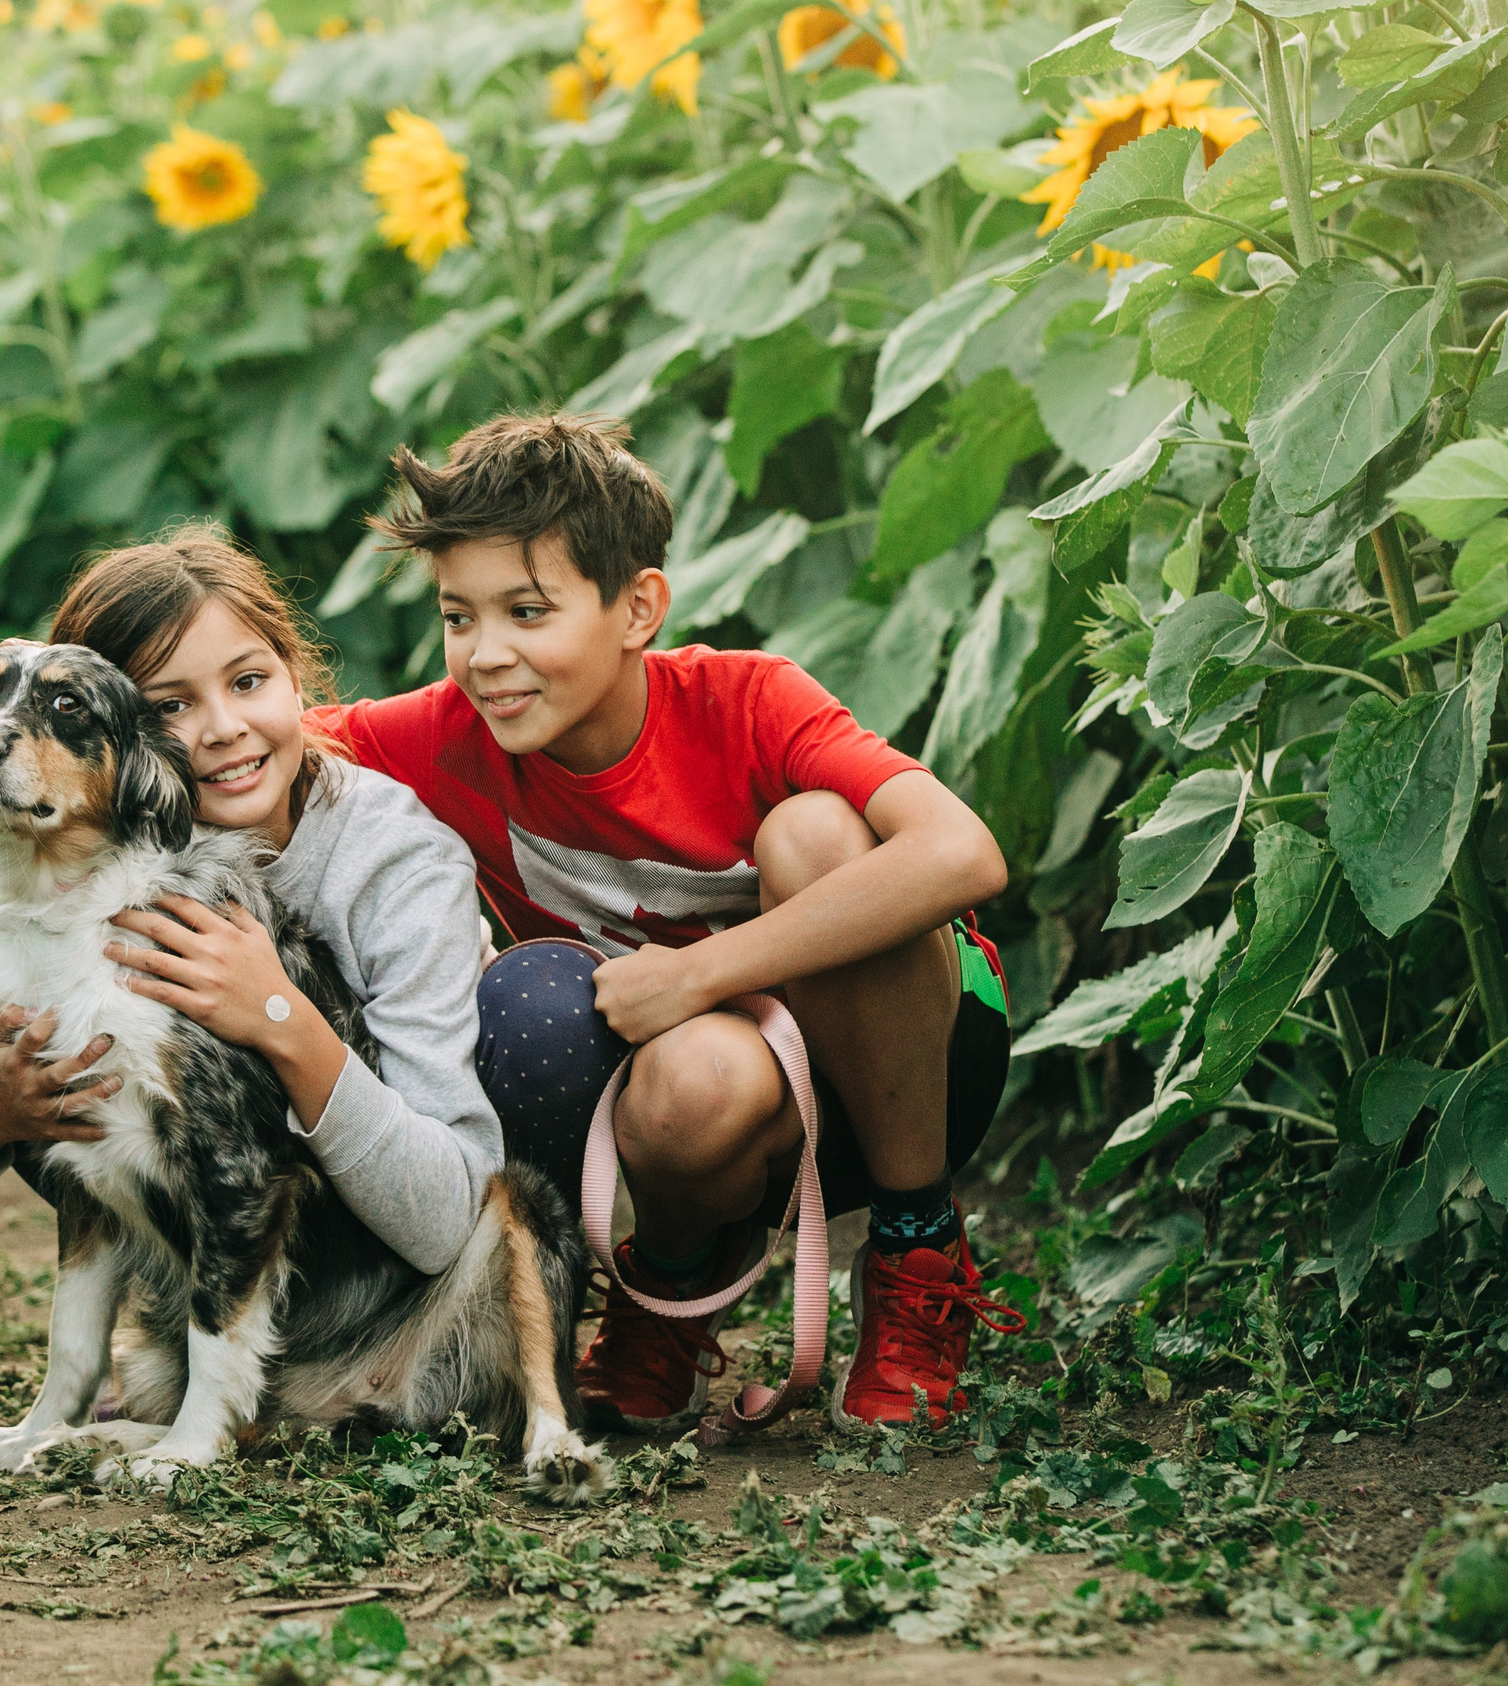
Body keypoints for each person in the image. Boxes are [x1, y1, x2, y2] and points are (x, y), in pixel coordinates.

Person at [307, 413, 1014, 1435]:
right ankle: (669, 1288)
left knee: (816, 835)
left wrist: (697, 974)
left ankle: (917, 1248)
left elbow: (961, 854)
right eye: (459, 617)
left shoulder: (748, 703)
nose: (486, 655)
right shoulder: (443, 740)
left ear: (637, 608)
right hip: (715, 1112)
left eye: (527, 611)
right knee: (687, 1081)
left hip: (925, 1065)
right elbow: (256, 744)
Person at [0, 526, 501, 1302]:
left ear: (295, 677)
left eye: (248, 681)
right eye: (170, 704)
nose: (224, 728)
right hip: (219, 1246)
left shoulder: (396, 860)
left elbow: (441, 1219)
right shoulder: (69, 863)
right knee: (61, 1055)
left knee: (538, 1006)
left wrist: (279, 1015)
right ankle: (183, 1326)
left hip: (399, 1262)